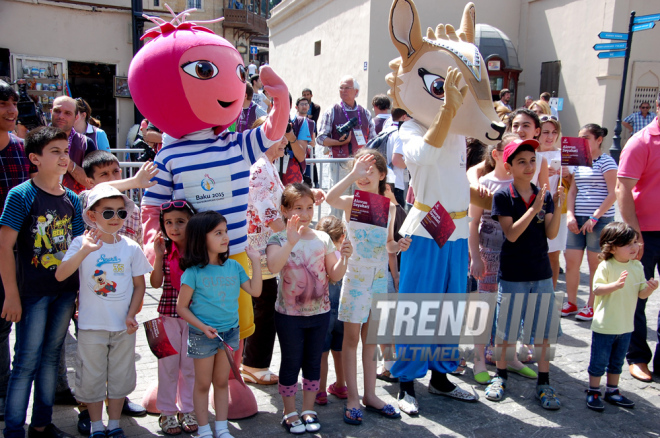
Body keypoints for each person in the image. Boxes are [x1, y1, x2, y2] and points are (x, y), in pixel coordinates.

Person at [0, 126, 84, 438]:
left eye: (66, 151)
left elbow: (77, 248)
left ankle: (41, 425)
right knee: (25, 361)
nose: (64, 158)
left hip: (64, 293)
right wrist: (11, 295)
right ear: (35, 158)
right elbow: (4, 246)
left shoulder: (73, 200)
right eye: (55, 152)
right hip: (31, 294)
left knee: (51, 357)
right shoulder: (20, 196)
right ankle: (13, 430)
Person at [55, 185, 152, 438]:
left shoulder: (130, 247)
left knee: (120, 379)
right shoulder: (81, 242)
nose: (115, 219)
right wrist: (86, 250)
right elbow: (61, 274)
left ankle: (115, 424)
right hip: (91, 327)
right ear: (92, 215)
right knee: (91, 379)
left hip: (123, 328)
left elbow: (140, 286)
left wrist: (132, 314)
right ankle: (97, 425)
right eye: (107, 213)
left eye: (121, 213)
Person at [325, 150, 410, 425]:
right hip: (355, 277)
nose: (364, 176)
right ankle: (352, 397)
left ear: (382, 175)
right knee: (350, 341)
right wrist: (352, 173)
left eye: (369, 170)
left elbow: (387, 245)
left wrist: (397, 246)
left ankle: (371, 395)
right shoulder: (351, 202)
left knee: (371, 340)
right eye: (360, 170)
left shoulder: (391, 207)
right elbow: (329, 199)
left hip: (378, 279)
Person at [75, 152, 157, 432]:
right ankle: (90, 416)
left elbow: (139, 284)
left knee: (120, 369)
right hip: (92, 312)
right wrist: (134, 180)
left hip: (122, 309)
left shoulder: (127, 230)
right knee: (92, 369)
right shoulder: (88, 221)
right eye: (104, 174)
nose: (112, 180)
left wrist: (133, 312)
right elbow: (100, 194)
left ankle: (116, 413)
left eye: (115, 172)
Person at [485, 138, 565, 410]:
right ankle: (501, 376)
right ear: (508, 167)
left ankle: (544, 382)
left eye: (533, 160)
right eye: (522, 161)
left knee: (543, 332)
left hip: (541, 272)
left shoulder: (545, 195)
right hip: (513, 274)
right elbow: (512, 234)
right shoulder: (503, 196)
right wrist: (534, 207)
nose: (529, 166)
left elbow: (551, 234)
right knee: (505, 332)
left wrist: (560, 206)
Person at [266, 183, 351, 434]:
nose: (304, 213)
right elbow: (272, 266)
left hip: (320, 313)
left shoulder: (323, 238)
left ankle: (309, 409)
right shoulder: (277, 238)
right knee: (291, 361)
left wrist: (344, 257)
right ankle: (289, 411)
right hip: (289, 316)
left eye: (309, 207)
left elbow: (334, 275)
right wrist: (290, 243)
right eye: (297, 208)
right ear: (284, 210)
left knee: (314, 362)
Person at [176, 211, 263, 438]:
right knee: (203, 384)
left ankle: (222, 429)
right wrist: (203, 327)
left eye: (225, 232)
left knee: (222, 383)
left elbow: (256, 291)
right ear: (200, 238)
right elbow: (181, 307)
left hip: (230, 334)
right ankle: (204, 430)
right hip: (202, 336)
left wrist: (255, 261)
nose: (225, 237)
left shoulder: (234, 267)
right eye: (218, 233)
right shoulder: (192, 272)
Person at [468, 134, 536, 384]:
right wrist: (475, 256)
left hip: (517, 257)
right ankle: (477, 359)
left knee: (512, 308)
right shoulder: (485, 184)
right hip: (489, 254)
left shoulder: (525, 183)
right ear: (497, 155)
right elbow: (473, 222)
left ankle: (509, 357)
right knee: (484, 309)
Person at [585, 222, 658, 411]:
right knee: (599, 361)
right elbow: (597, 289)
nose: (635, 247)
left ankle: (612, 390)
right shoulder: (606, 266)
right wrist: (615, 285)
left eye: (635, 242)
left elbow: (640, 294)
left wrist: (649, 289)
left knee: (617, 362)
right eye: (628, 244)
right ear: (613, 247)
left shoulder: (637, 266)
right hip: (605, 325)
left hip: (626, 326)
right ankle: (593, 390)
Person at [616, 93, 660, 382]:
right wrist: (636, 236)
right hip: (646, 232)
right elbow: (623, 190)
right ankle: (637, 357)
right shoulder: (641, 141)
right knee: (637, 294)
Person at [242, 119, 287, 386]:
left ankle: (252, 362)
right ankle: (254, 364)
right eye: (281, 135)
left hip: (263, 244)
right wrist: (288, 235)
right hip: (258, 245)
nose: (285, 141)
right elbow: (265, 208)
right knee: (263, 305)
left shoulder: (267, 165)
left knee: (262, 304)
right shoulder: (260, 166)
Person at [150, 200, 198, 435]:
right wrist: (159, 257)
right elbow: (155, 283)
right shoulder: (165, 250)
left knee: (189, 367)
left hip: (193, 318)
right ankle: (167, 413)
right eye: (168, 222)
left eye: (180, 221)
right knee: (167, 367)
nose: (174, 227)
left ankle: (187, 409)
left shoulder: (199, 252)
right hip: (166, 316)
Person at [0, 82, 32, 420]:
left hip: (27, 256)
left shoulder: (23, 149)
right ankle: (3, 396)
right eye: (3, 104)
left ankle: (52, 392)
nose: (11, 111)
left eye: (13, 103)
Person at [565, 124, 617, 321]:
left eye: (586, 137)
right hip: (577, 220)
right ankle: (571, 302)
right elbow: (573, 191)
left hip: (600, 220)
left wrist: (595, 217)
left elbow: (613, 193)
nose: (582, 142)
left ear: (599, 139)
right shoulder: (579, 161)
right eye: (580, 138)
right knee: (571, 261)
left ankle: (592, 305)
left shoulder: (607, 162)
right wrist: (570, 214)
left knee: (595, 265)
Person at [313, 216, 347, 406]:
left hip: (323, 311)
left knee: (322, 352)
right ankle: (341, 385)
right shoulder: (344, 257)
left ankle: (320, 390)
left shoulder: (318, 255)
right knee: (340, 349)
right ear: (342, 237)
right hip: (343, 310)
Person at [536, 115, 569, 289]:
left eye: (554, 132)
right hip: (533, 208)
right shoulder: (530, 153)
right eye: (546, 132)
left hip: (557, 209)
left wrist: (566, 174)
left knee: (553, 254)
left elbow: (576, 182)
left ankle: (551, 292)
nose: (550, 136)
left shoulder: (563, 154)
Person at [50, 96, 96, 193]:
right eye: (57, 111)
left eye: (67, 113)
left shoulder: (86, 143)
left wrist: (69, 164)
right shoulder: (39, 140)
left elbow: (92, 182)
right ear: (51, 112)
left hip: (74, 203)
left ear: (76, 117)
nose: (61, 116)